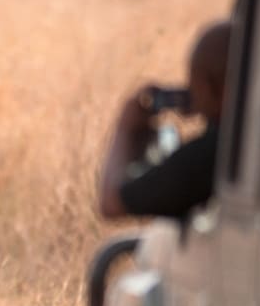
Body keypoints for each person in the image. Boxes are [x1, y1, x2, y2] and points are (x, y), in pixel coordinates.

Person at [98, 21, 232, 220]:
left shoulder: (211, 153)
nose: (191, 93)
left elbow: (112, 202)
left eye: (196, 85)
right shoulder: (246, 141)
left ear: (219, 90)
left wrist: (126, 129)